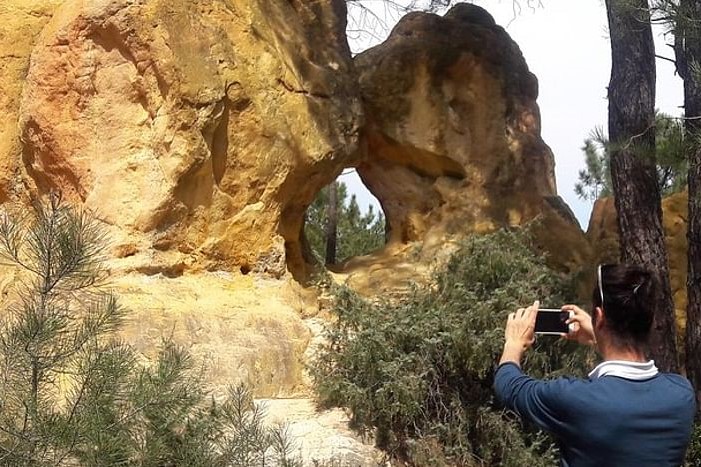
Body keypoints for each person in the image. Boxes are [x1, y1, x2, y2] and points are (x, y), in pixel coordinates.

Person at [493, 264, 696, 466]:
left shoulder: (576, 399)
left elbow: (510, 386)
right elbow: (640, 371)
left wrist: (514, 343)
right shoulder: (681, 395)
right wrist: (598, 333)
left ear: (599, 317)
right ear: (650, 322)